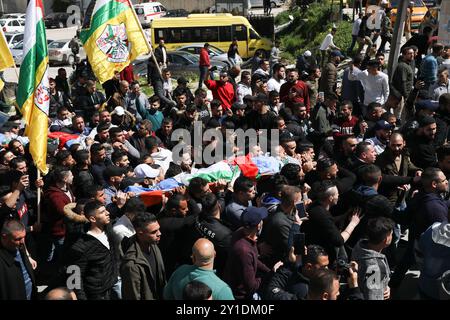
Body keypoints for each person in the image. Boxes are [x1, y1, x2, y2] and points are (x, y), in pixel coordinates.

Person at [66, 200, 119, 300]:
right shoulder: (81, 246)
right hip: (97, 294)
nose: (107, 213)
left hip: (113, 286)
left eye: (106, 210)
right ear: (92, 218)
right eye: (102, 212)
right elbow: (74, 277)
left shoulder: (109, 231)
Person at [223, 207, 280, 300]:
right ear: (258, 225)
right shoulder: (244, 251)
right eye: (261, 220)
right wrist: (271, 274)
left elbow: (254, 260)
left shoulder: (240, 232)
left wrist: (269, 271)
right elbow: (251, 287)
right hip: (242, 295)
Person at [164, 238, 234, 300]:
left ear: (193, 258)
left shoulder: (180, 271)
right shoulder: (222, 290)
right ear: (215, 254)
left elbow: (167, 296)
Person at [120, 212, 166, 300]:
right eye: (154, 232)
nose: (159, 234)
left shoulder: (153, 245)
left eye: (158, 229)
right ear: (140, 233)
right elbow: (132, 296)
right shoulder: (131, 265)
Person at [264, 245, 329, 300]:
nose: (327, 269)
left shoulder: (328, 282)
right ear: (309, 267)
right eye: (323, 267)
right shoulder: (295, 277)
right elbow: (271, 290)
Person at [351, 217, 394, 300]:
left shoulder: (360, 245)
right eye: (391, 234)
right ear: (386, 239)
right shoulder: (375, 269)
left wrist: (385, 286)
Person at [0, 219, 36, 300]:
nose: (22, 242)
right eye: (18, 239)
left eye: (24, 237)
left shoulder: (19, 246)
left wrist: (28, 256)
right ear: (4, 236)